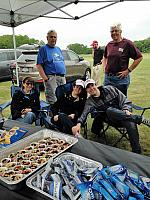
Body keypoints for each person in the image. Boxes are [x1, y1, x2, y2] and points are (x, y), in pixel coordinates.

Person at [72, 79, 150, 154]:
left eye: (92, 85)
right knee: (109, 110)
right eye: (88, 87)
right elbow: (84, 114)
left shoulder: (110, 89)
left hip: (125, 116)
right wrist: (78, 124)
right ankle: (140, 119)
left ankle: (136, 152)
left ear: (96, 85)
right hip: (112, 120)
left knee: (131, 123)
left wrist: (126, 109)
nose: (91, 88)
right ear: (86, 90)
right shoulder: (90, 101)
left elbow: (125, 101)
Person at [103, 23, 143, 96]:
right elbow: (105, 56)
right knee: (107, 100)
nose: (114, 33)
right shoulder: (109, 44)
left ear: (120, 32)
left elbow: (139, 57)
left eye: (116, 31)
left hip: (120, 79)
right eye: (112, 31)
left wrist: (128, 70)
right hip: (108, 78)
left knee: (121, 102)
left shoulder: (127, 43)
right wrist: (104, 67)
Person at [36, 29, 66, 106]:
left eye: (55, 37)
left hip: (61, 78)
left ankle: (61, 116)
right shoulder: (43, 49)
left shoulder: (58, 49)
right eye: (51, 37)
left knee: (63, 98)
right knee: (53, 100)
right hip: (51, 78)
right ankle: (52, 117)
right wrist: (45, 78)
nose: (53, 39)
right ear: (47, 38)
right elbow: (39, 65)